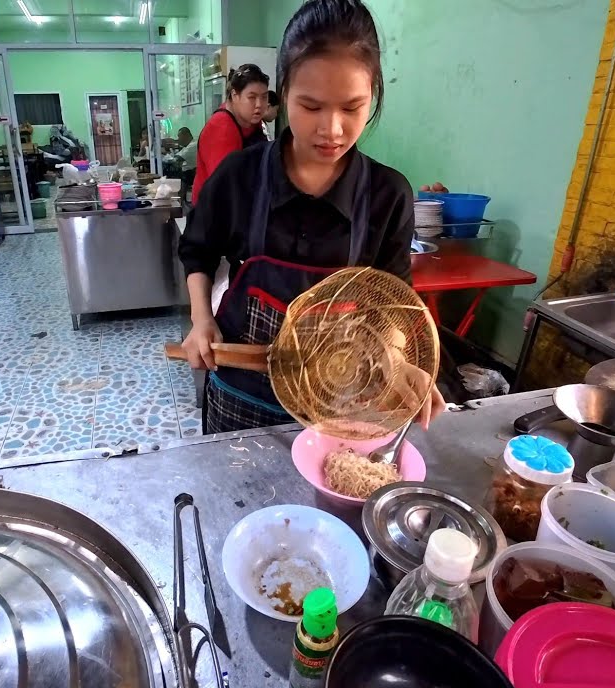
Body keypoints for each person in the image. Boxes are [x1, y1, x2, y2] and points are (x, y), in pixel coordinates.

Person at [178, 0, 444, 435]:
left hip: (338, 399)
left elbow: (392, 301)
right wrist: (201, 320)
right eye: (312, 106)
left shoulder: (388, 195)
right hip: (242, 393)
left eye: (352, 107)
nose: (332, 129)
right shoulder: (239, 176)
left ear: (373, 95)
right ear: (283, 94)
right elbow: (198, 251)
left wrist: (401, 364)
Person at [191, 63, 269, 203]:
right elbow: (225, 189)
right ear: (234, 95)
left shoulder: (252, 121)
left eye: (264, 97)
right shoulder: (222, 128)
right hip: (215, 215)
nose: (259, 104)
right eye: (252, 97)